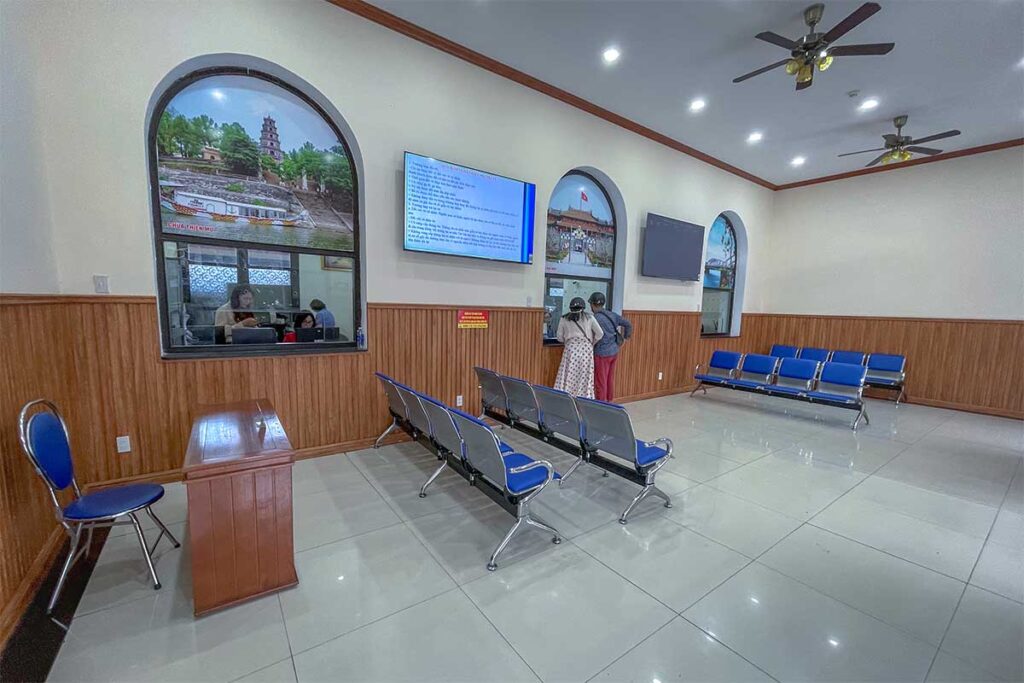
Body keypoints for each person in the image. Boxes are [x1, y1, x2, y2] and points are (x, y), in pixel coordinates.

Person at [553, 297, 603, 398]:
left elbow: (559, 337)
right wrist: (592, 343)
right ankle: (584, 397)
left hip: (570, 349)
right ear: (583, 307)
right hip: (586, 350)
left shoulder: (564, 318)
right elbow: (600, 333)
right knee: (584, 375)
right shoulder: (589, 318)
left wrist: (568, 342)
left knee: (568, 375)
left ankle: (567, 397)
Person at [589, 291, 632, 402]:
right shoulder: (611, 314)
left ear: (592, 305)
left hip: (601, 353)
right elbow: (628, 323)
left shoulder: (594, 319)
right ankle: (609, 401)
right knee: (609, 379)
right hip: (614, 351)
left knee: (600, 381)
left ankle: (601, 404)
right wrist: (626, 337)